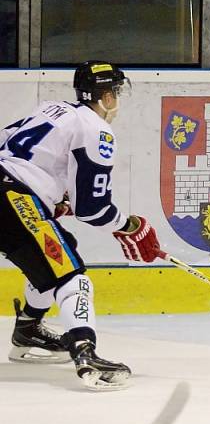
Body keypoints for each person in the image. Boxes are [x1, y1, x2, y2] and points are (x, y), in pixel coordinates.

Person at [0, 61, 161, 390]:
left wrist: (50, 198)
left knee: (56, 251)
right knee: (71, 273)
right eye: (115, 92)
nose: (117, 100)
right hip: (14, 198)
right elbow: (93, 209)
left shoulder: (52, 109)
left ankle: (29, 330)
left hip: (10, 194)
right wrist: (128, 226)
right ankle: (85, 352)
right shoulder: (97, 129)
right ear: (105, 96)